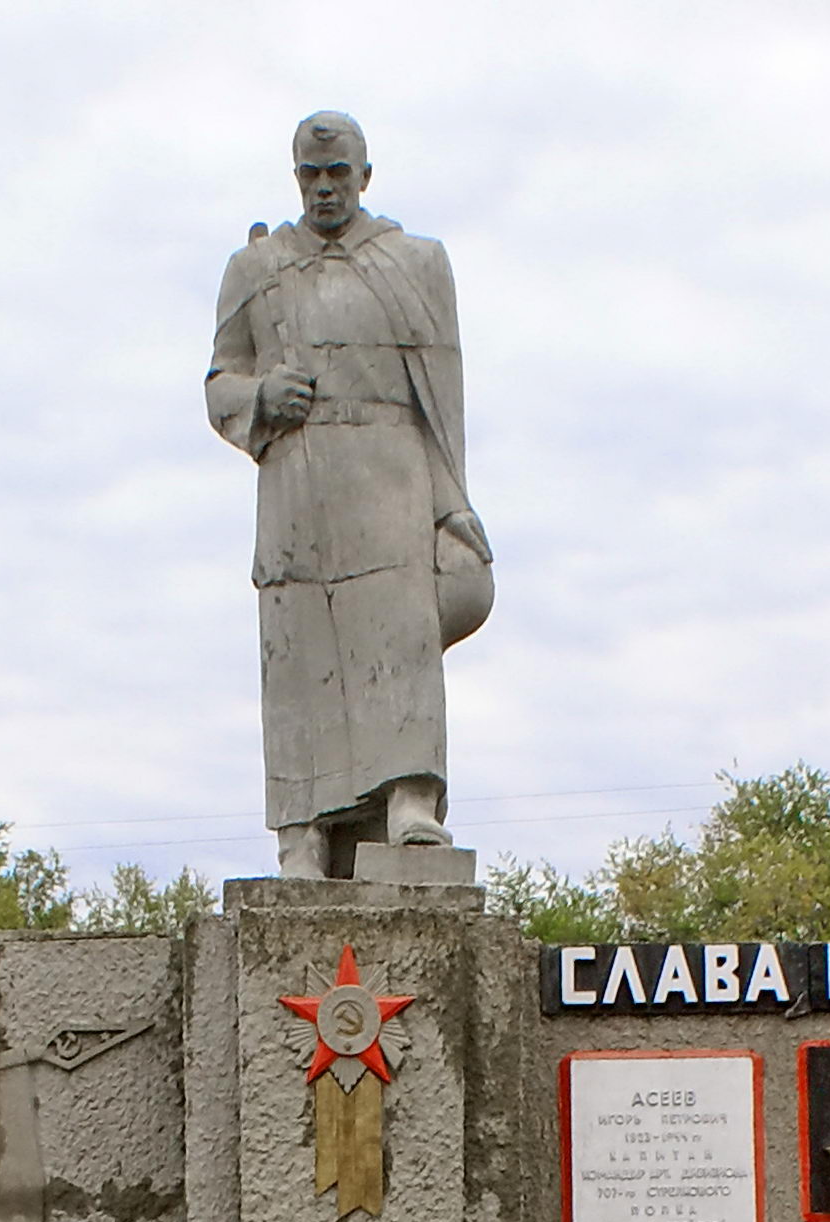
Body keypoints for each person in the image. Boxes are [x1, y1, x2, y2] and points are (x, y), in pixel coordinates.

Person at [206, 111, 492, 877]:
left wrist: (451, 507)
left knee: (399, 639)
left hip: (391, 479)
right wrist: (262, 394)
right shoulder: (256, 269)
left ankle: (409, 802)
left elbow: (443, 398)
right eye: (311, 174)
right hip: (298, 485)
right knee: (299, 654)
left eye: (338, 174)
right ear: (295, 177)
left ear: (366, 175)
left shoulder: (417, 262)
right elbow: (220, 383)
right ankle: (302, 832)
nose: (325, 187)